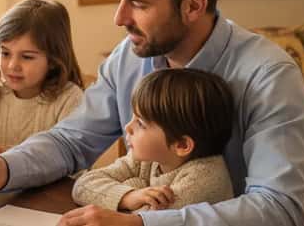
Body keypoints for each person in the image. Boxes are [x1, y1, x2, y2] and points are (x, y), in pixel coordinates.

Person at [0, 0, 304, 226]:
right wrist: (3, 168)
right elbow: (72, 141)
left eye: (137, 4)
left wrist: (141, 223)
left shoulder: (269, 75)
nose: (119, 18)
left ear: (194, 5)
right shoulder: (130, 58)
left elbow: (279, 208)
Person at [72, 68, 234, 212]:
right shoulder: (150, 158)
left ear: (182, 144)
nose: (128, 127)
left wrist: (136, 185)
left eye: (140, 123)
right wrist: (129, 196)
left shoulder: (203, 181)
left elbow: (141, 219)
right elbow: (82, 186)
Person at [0, 0, 85, 153]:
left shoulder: (70, 98)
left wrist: (11, 160)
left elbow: (70, 154)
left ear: (53, 61)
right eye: (6, 53)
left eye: (27, 57)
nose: (12, 65)